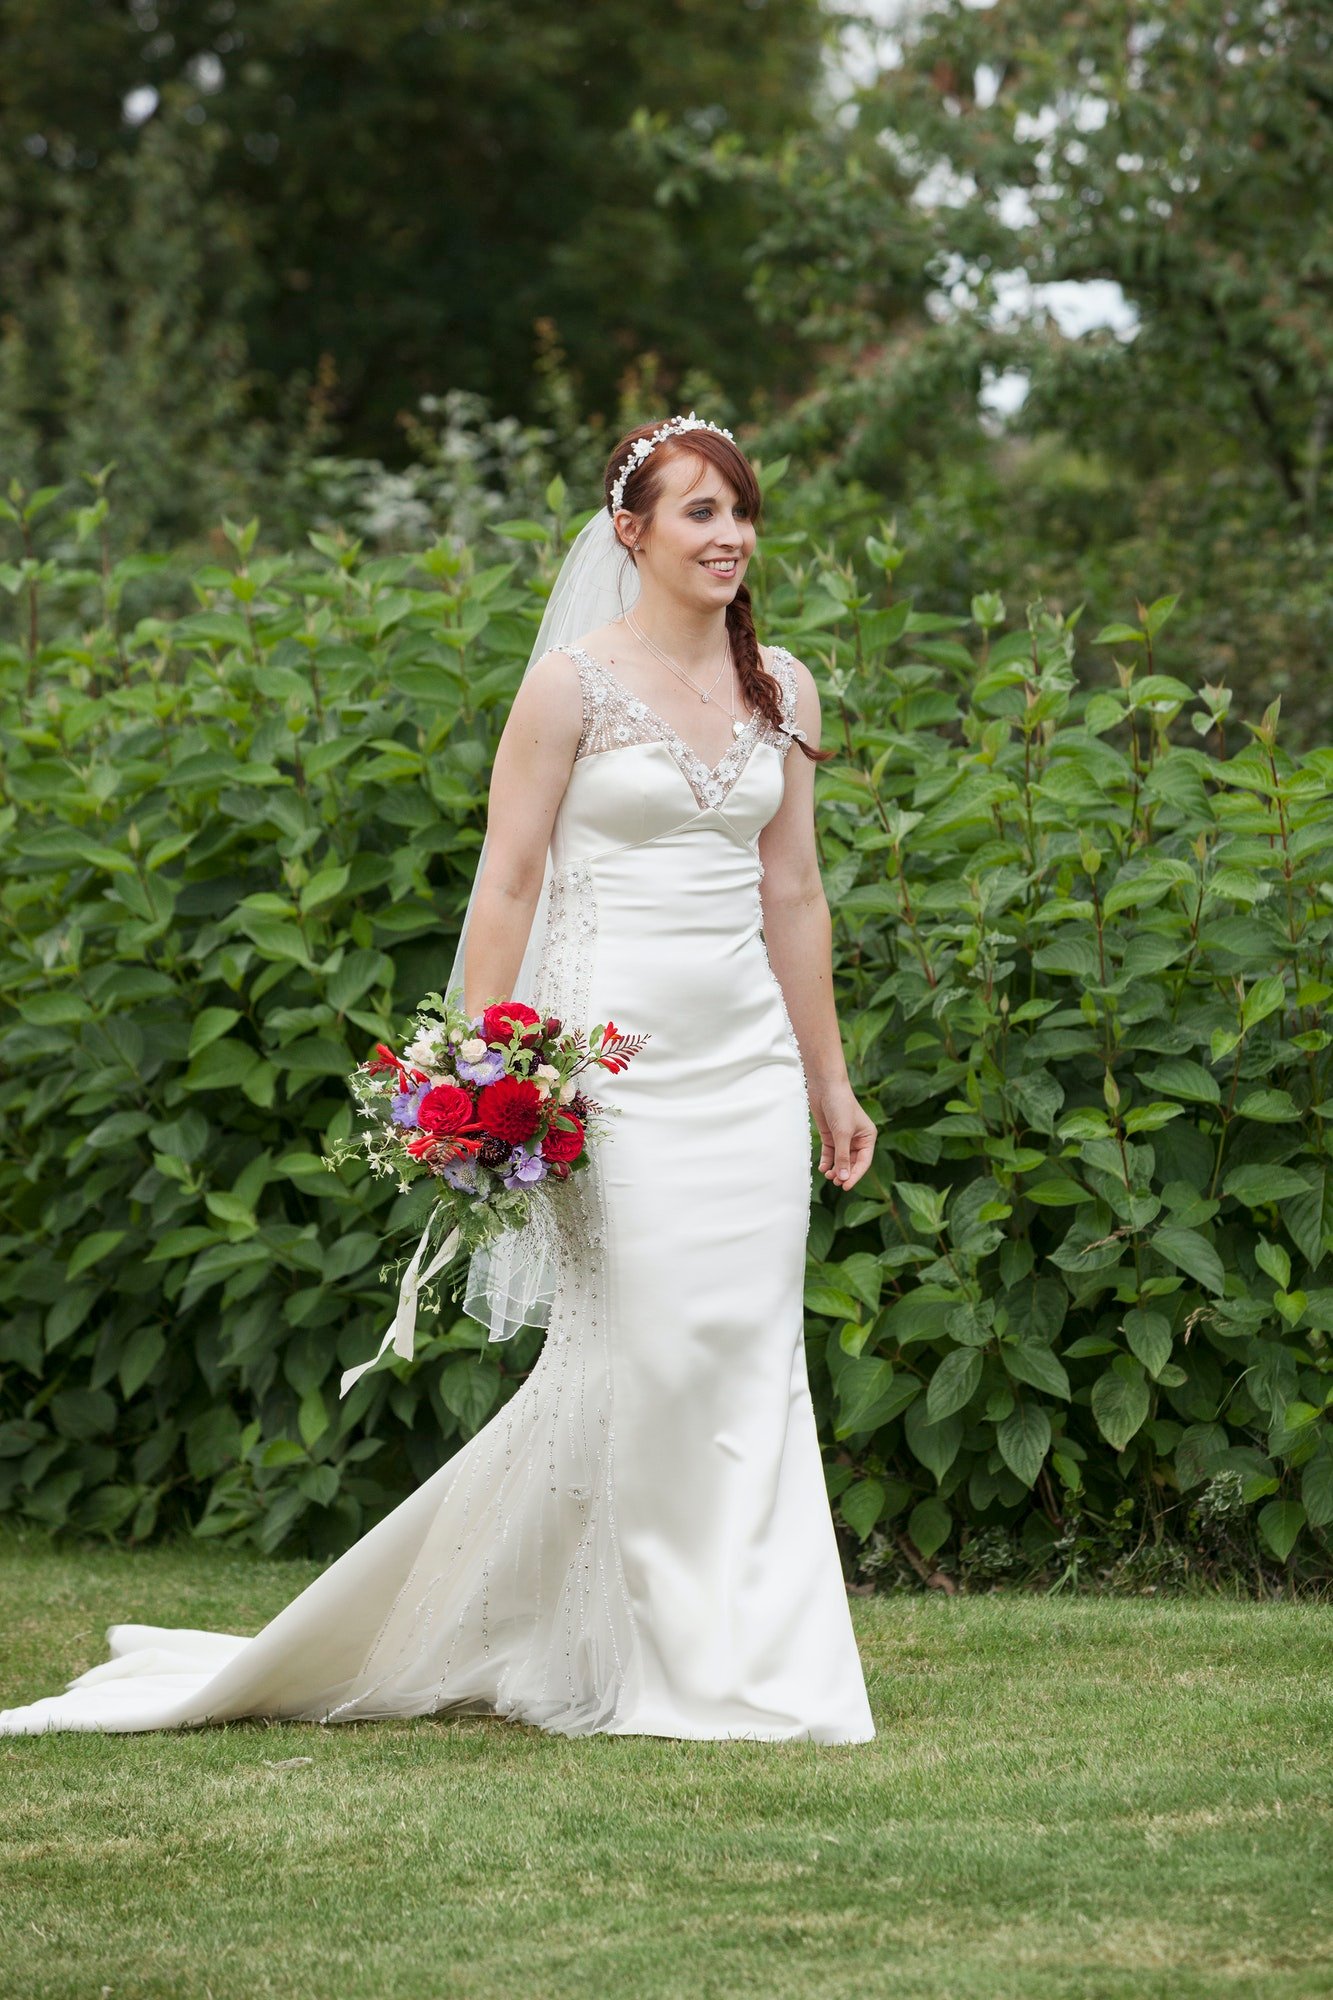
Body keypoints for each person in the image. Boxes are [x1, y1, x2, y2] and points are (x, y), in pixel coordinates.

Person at [0, 415, 878, 1742]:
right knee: (653, 1354)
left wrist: (829, 1080)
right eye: (701, 511)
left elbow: (794, 890)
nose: (731, 535)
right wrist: (487, 1067)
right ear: (631, 531)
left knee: (751, 1357)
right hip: (610, 1074)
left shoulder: (785, 688)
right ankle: (666, 1658)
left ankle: (758, 1658)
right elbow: (509, 882)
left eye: (741, 511)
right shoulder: (573, 685)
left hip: (748, 1068)